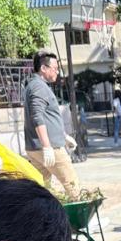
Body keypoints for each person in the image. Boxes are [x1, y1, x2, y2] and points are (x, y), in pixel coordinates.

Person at [23, 51, 80, 200]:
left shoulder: (35, 85)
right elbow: (37, 116)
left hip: (36, 147)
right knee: (71, 183)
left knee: (44, 189)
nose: (57, 71)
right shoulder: (38, 87)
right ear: (43, 68)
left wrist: (64, 136)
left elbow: (47, 117)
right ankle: (84, 218)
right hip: (49, 148)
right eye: (54, 68)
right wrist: (47, 146)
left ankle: (49, 219)